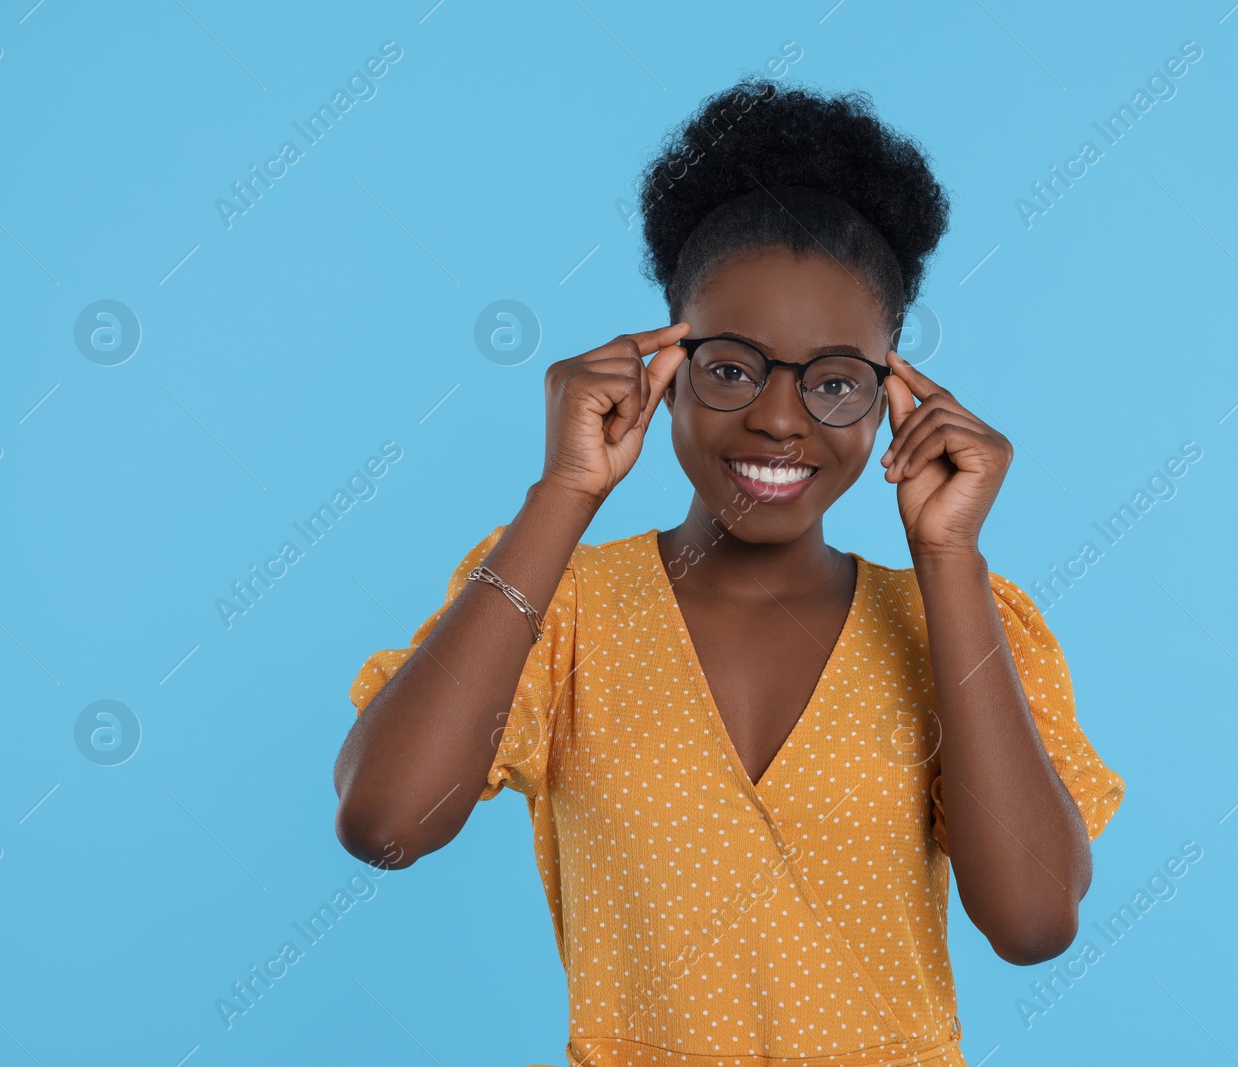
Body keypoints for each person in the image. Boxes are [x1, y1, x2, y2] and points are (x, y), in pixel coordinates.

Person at [332, 76, 1124, 1066]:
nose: (780, 419)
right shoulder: (560, 607)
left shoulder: (959, 621)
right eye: (733, 367)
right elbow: (385, 820)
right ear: (661, 366)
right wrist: (564, 492)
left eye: (836, 382)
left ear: (894, 398)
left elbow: (1032, 921)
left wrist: (949, 558)